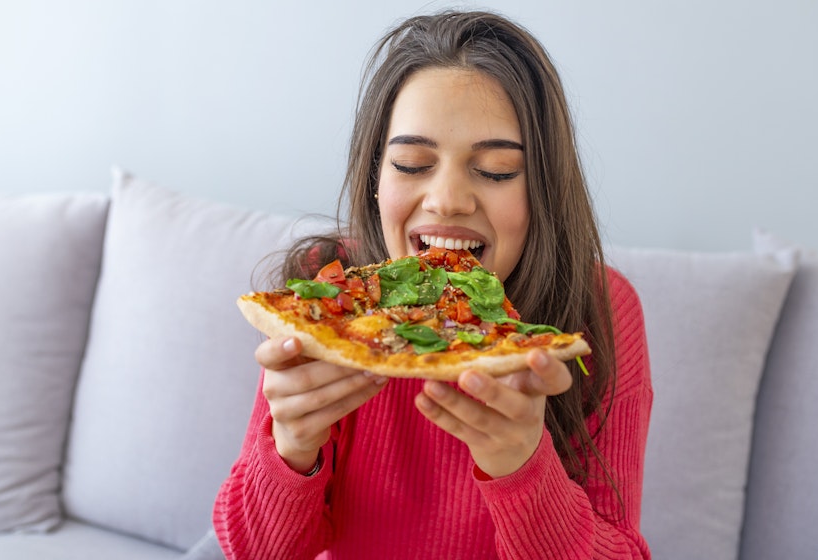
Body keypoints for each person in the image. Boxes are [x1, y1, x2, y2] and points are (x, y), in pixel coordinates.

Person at [213, 10, 652, 560]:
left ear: (543, 189)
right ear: (375, 176)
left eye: (495, 170)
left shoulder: (600, 306)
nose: (447, 200)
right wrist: (291, 450)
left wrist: (521, 467)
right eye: (412, 163)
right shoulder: (326, 294)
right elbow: (252, 552)